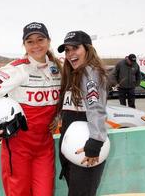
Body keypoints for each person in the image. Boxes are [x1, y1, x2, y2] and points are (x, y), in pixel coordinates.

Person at [0, 22, 62, 196]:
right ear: (24, 45)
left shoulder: (57, 69)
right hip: (18, 146)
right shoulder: (16, 69)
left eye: (40, 39)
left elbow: (63, 98)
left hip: (44, 146)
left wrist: (58, 117)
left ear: (49, 41)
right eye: (30, 41)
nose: (36, 45)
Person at [56, 30, 108, 196]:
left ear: (87, 49)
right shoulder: (73, 75)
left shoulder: (90, 73)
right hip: (72, 149)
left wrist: (95, 142)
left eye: (75, 48)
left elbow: (96, 108)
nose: (70, 54)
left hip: (86, 149)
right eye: (67, 50)